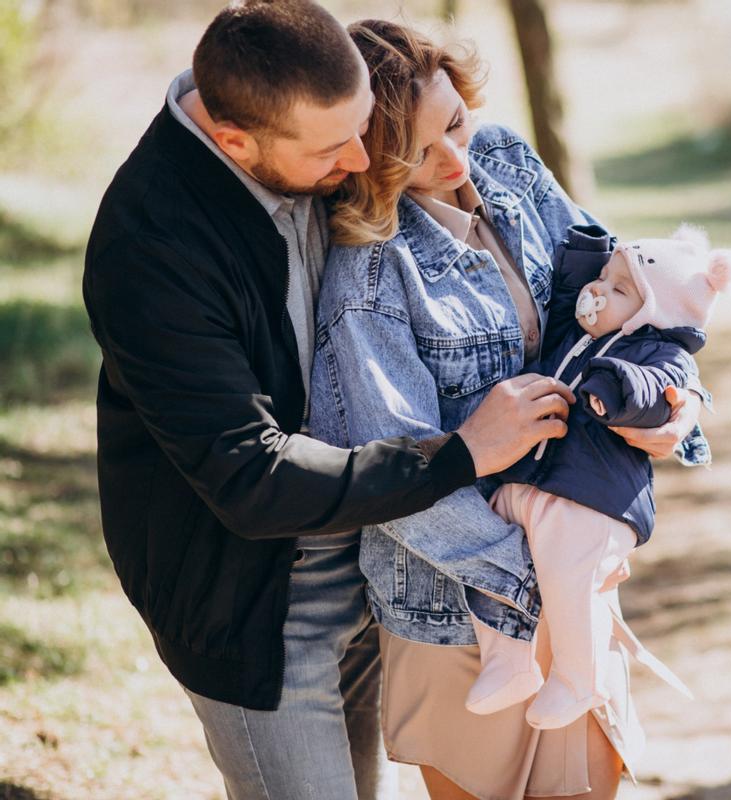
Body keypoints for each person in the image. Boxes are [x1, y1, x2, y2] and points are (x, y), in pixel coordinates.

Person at [81, 2, 577, 798]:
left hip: (372, 557)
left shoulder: (299, 115)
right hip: (258, 601)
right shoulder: (151, 248)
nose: (361, 160)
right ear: (235, 141)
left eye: (365, 129)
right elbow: (249, 476)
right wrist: (460, 453)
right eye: (333, 147)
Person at [308, 18, 708, 800]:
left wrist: (680, 403)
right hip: (456, 605)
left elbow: (639, 297)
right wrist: (543, 575)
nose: (456, 161)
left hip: (573, 575)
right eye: (416, 154)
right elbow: (389, 475)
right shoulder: (368, 275)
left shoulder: (507, 160)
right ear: (365, 159)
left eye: (455, 121)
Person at [465, 222, 731, 731]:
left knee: (571, 581)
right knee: (483, 544)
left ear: (652, 312)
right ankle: (506, 659)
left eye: (618, 288)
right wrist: (586, 253)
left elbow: (657, 393)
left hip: (591, 500)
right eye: (604, 277)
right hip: (532, 481)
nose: (598, 292)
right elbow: (571, 290)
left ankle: (579, 676)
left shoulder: (659, 354)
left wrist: (616, 387)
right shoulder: (580, 331)